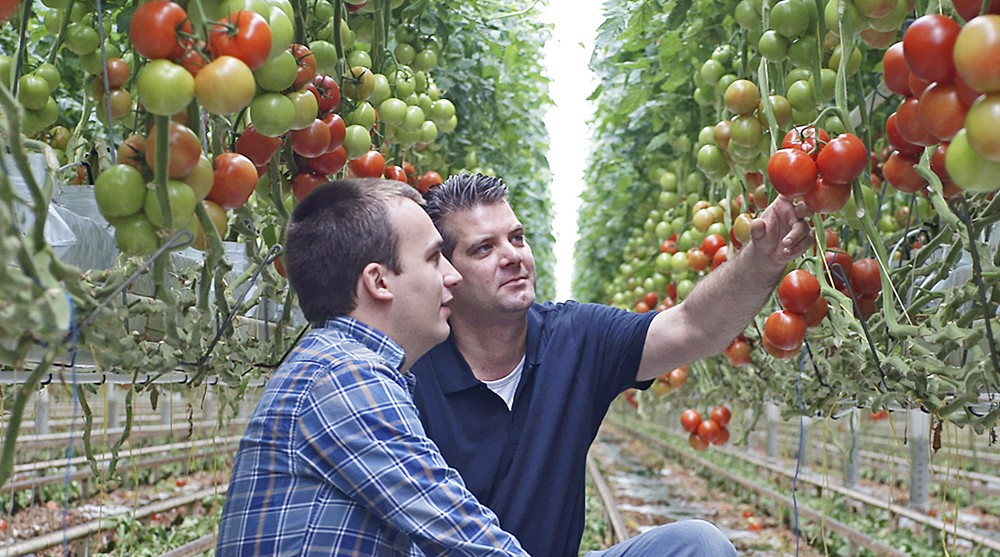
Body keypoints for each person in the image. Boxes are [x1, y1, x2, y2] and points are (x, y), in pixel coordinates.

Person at [411, 173, 815, 557]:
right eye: (484, 248)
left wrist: (762, 260)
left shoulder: (576, 338)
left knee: (698, 544)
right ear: (446, 272)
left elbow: (693, 327)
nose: (513, 256)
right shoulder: (411, 367)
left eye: (517, 238)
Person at [217, 178, 532, 557]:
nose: (453, 275)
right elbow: (463, 536)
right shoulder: (344, 376)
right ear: (379, 282)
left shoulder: (338, 365)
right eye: (434, 258)